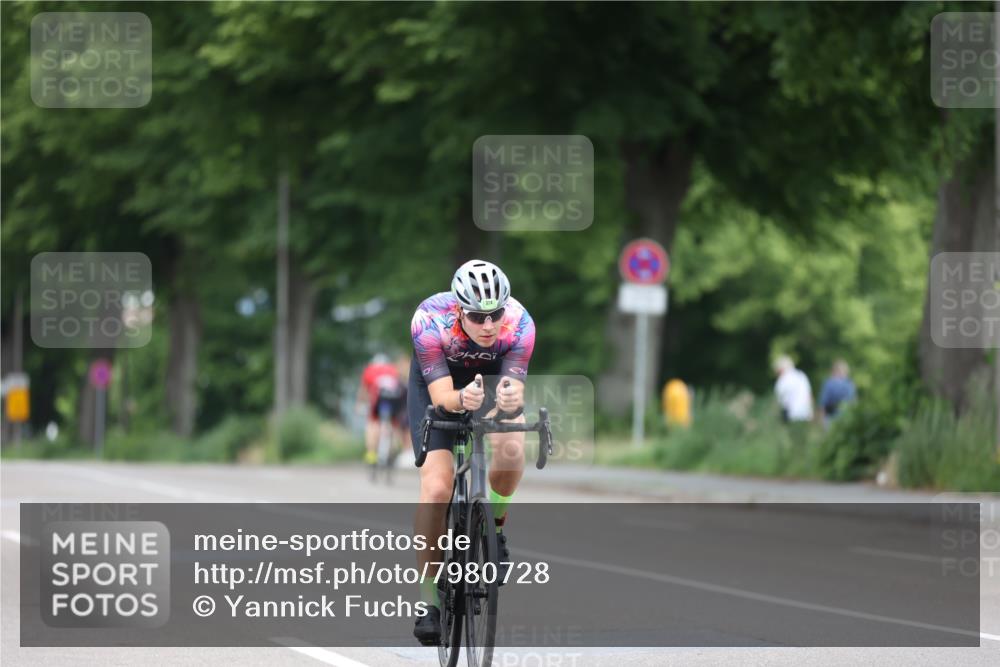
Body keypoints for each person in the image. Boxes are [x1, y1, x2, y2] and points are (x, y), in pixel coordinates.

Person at [408, 259, 535, 646]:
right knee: (436, 491)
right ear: (459, 309)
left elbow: (512, 392)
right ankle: (428, 600)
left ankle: (493, 529)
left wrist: (510, 398)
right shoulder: (429, 320)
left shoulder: (520, 324)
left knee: (513, 445)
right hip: (439, 383)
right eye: (478, 316)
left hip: (492, 377)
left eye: (495, 314)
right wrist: (461, 399)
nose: (488, 325)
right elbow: (443, 397)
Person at [356, 353, 406, 469]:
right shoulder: (393, 369)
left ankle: (371, 455)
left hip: (379, 401)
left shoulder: (370, 370)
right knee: (394, 425)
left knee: (373, 424)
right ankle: (393, 450)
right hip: (395, 401)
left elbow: (363, 391)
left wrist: (359, 405)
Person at [773, 355, 813, 423]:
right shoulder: (801, 375)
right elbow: (809, 396)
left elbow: (779, 401)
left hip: (790, 416)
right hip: (805, 414)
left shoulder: (782, 380)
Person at [819, 359, 856, 426]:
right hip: (844, 416)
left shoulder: (829, 383)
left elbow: (823, 403)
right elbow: (853, 402)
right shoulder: (849, 383)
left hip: (833, 416)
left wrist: (822, 418)